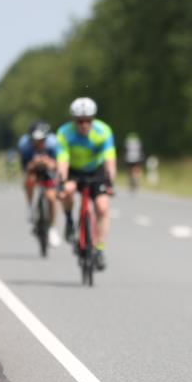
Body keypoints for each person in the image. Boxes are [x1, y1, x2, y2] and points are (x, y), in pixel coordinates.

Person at [56, 97, 116, 270]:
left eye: (88, 120)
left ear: (93, 119)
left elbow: (110, 159)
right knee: (66, 191)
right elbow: (62, 160)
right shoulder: (65, 133)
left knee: (102, 207)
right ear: (74, 120)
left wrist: (110, 181)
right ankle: (68, 220)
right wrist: (62, 181)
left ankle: (100, 249)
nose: (84, 125)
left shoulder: (103, 131)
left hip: (95, 170)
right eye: (80, 121)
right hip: (74, 170)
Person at [17, 120, 61, 247]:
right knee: (29, 181)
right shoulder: (25, 146)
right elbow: (25, 168)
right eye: (35, 141)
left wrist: (48, 163)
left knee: (51, 198)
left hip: (49, 171)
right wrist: (34, 163)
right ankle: (30, 207)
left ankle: (52, 228)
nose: (38, 143)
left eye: (41, 140)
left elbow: (58, 165)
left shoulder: (53, 144)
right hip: (33, 171)